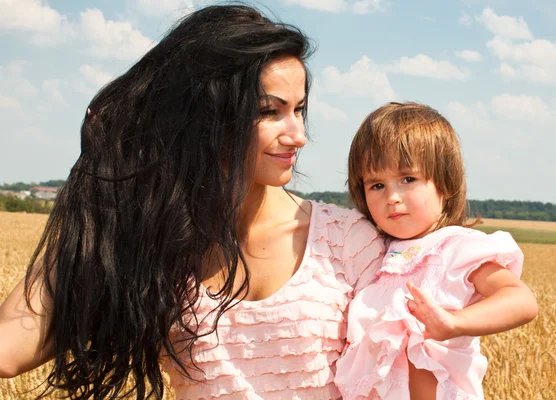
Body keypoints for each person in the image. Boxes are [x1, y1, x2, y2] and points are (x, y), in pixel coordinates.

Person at [0, 5, 386, 399]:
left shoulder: (347, 242)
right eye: (269, 111)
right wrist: (102, 188)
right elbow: (8, 350)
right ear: (209, 116)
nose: (298, 135)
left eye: (299, 109)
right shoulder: (156, 242)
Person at [334, 102, 539, 399]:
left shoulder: (456, 247)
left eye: (408, 179)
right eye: (377, 185)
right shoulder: (372, 253)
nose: (392, 197)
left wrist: (455, 323)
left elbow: (521, 301)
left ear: (444, 184)